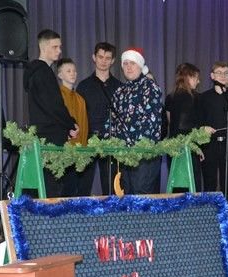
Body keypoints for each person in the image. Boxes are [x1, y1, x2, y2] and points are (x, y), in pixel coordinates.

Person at [23, 29, 78, 196]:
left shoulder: (34, 72)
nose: (59, 51)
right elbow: (54, 106)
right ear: (43, 47)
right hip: (51, 136)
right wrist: (71, 124)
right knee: (51, 184)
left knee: (41, 182)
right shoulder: (44, 72)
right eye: (55, 47)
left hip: (40, 133)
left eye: (59, 47)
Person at [106, 47, 163, 195]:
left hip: (144, 154)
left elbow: (151, 122)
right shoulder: (120, 92)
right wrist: (109, 141)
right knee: (126, 193)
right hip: (124, 155)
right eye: (125, 63)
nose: (129, 67)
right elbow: (112, 121)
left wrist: (135, 146)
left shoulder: (150, 87)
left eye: (133, 63)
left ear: (140, 66)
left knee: (141, 194)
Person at [198, 62, 228, 222]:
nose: (223, 76)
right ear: (212, 76)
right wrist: (201, 138)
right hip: (209, 145)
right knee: (209, 184)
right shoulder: (204, 97)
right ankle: (209, 222)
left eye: (226, 73)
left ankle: (227, 224)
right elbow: (198, 122)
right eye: (219, 72)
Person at [76, 42, 122, 196]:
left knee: (111, 186)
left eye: (108, 58)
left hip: (111, 141)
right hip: (87, 140)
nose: (104, 61)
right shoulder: (83, 86)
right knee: (82, 185)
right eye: (100, 57)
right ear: (94, 57)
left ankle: (112, 211)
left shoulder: (119, 87)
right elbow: (78, 116)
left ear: (113, 60)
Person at [165, 62, 210, 192]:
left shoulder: (170, 97)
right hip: (188, 150)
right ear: (188, 77)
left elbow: (171, 123)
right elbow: (185, 127)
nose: (198, 81)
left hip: (173, 148)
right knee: (191, 187)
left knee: (176, 186)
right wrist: (197, 145)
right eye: (196, 78)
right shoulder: (195, 98)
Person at [57, 57, 89, 195]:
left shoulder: (80, 99)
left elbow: (84, 125)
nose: (73, 73)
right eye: (68, 71)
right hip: (62, 151)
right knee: (63, 190)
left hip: (78, 151)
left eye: (74, 71)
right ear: (60, 75)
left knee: (74, 189)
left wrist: (83, 150)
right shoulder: (57, 96)